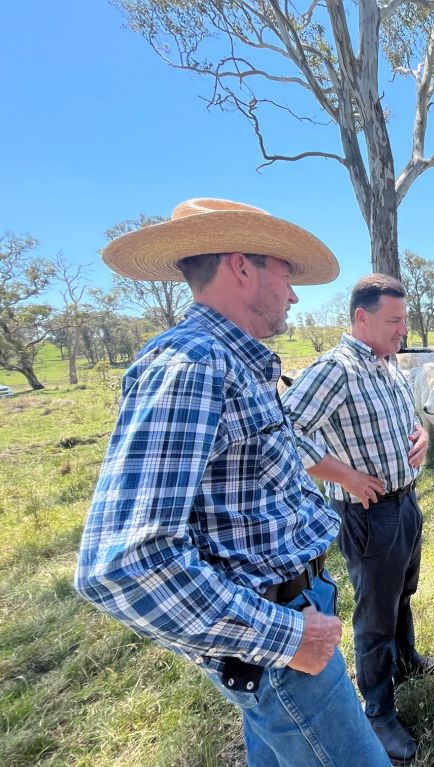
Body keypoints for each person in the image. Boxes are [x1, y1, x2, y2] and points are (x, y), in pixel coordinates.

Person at [75, 198, 391, 767]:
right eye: (286, 273)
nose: (294, 294)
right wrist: (287, 638)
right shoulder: (192, 365)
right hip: (276, 638)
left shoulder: (232, 362)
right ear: (242, 266)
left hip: (289, 614)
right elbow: (124, 564)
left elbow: (266, 452)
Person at [281, 274, 434, 764]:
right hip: (368, 513)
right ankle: (378, 712)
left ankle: (406, 660)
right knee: (374, 615)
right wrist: (344, 475)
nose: (402, 330)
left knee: (402, 593)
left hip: (405, 502)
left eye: (404, 320)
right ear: (361, 317)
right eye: (394, 321)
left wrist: (423, 437)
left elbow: (407, 422)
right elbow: (284, 432)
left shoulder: (388, 365)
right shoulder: (336, 369)